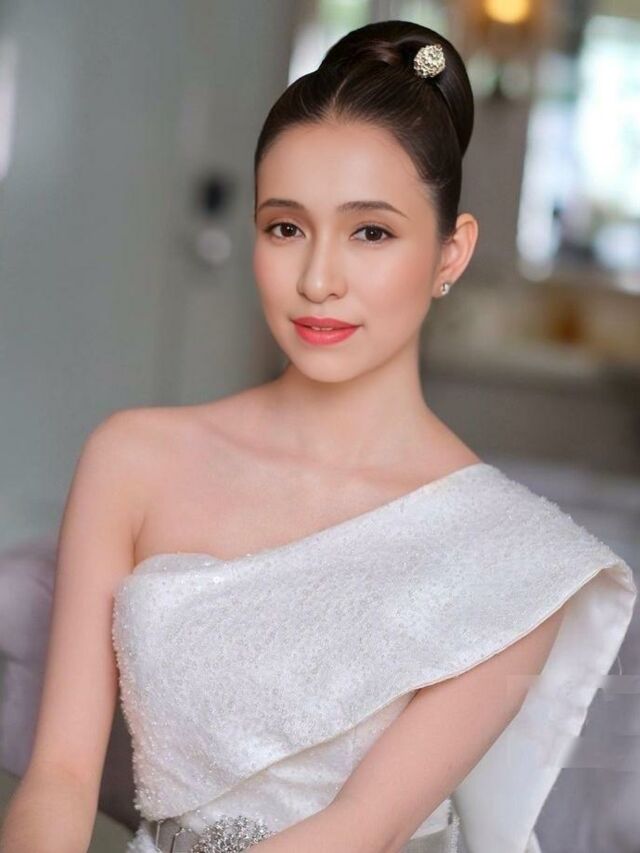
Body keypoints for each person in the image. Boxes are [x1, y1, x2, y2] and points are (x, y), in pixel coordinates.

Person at [1, 19, 636, 853]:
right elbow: (58, 777)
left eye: (371, 231)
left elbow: (363, 828)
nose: (318, 279)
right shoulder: (133, 459)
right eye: (286, 227)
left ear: (451, 252)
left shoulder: (514, 557)